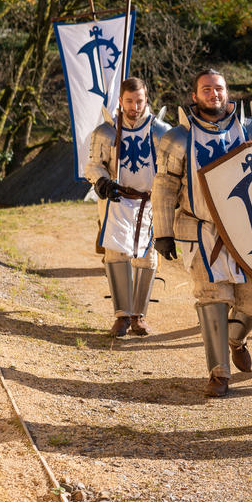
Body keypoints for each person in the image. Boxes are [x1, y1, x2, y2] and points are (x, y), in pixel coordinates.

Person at [151, 69, 252, 397]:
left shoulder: (251, 129)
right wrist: (162, 231)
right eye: (206, 89)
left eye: (218, 88)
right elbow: (164, 186)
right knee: (213, 297)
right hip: (201, 230)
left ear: (227, 91)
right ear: (194, 96)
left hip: (247, 232)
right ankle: (219, 373)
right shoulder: (179, 138)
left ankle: (235, 338)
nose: (213, 93)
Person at [85, 76, 170, 337]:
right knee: (116, 254)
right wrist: (102, 180)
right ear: (121, 101)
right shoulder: (106, 132)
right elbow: (94, 165)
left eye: (139, 101)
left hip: (149, 201)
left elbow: (171, 169)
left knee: (146, 256)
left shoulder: (161, 131)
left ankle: (138, 316)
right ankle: (121, 315)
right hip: (117, 200)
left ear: (147, 100)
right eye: (130, 101)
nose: (135, 106)